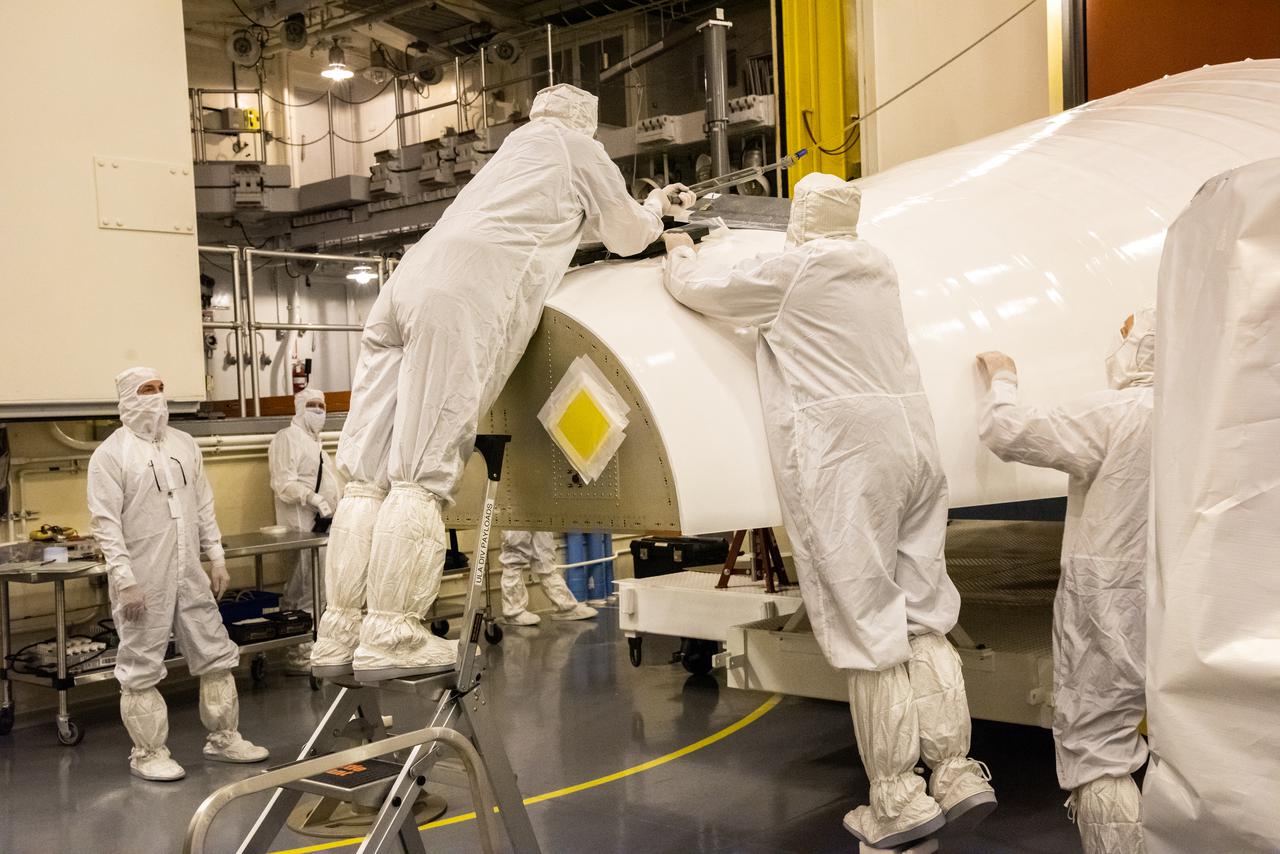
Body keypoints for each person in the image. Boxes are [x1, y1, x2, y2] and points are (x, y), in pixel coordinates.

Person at [310, 83, 694, 681]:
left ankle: (339, 630)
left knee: (366, 478)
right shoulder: (575, 147)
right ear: (585, 121)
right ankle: (392, 633)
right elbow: (625, 234)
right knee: (420, 473)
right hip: (460, 296)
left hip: (406, 285)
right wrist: (659, 212)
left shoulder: (513, 153)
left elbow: (542, 224)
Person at [663, 172, 995, 848]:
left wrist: (678, 247)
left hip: (849, 461)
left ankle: (899, 798)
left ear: (802, 219)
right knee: (925, 613)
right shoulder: (878, 266)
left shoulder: (797, 269)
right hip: (914, 449)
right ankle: (957, 772)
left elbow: (699, 291)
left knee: (869, 626)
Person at [976, 308, 1154, 854]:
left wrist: (1001, 377)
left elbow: (1007, 431)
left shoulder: (1122, 411)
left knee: (1100, 741)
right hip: (1192, 595)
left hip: (1113, 597)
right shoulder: (1216, 413)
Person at [87, 367, 269, 781]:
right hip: (143, 575)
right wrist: (124, 578)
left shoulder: (184, 444)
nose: (156, 396)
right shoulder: (111, 455)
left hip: (189, 571)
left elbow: (203, 504)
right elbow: (105, 523)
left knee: (214, 651)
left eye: (160, 388)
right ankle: (148, 753)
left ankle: (225, 738)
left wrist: (216, 556)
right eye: (146, 390)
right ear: (127, 398)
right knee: (141, 662)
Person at [268, 387, 341, 673]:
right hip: (302, 525)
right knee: (304, 589)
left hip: (323, 526)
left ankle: (315, 644)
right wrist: (313, 498)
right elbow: (283, 482)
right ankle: (298, 651)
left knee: (319, 587)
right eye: (311, 405)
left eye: (322, 406)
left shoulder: (315, 442)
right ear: (298, 408)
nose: (318, 411)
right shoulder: (287, 439)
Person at [499, 531, 596, 625]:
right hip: (517, 515)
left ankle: (565, 607)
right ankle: (513, 612)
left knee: (545, 558)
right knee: (514, 556)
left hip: (539, 515)